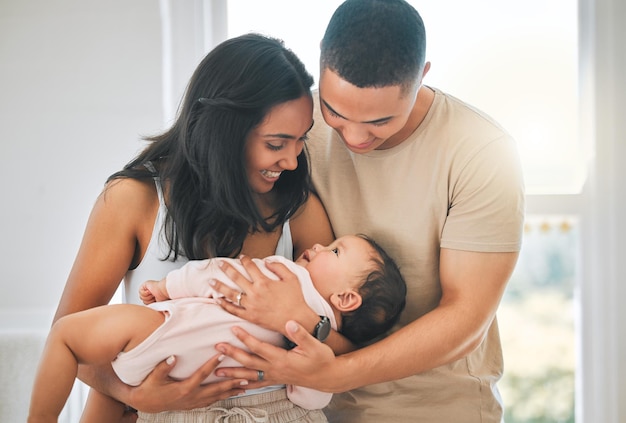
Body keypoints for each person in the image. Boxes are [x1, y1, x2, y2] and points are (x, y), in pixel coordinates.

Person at [207, 1, 526, 422]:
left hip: (437, 409)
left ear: (422, 77)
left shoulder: (482, 153)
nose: (355, 137)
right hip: (304, 406)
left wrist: (335, 373)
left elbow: (466, 316)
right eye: (335, 113)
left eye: (380, 121)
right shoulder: (296, 131)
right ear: (319, 61)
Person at [47, 33, 338, 422]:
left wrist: (306, 321)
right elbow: (68, 337)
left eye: (300, 140)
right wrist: (133, 394)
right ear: (224, 130)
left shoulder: (297, 211)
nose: (291, 160)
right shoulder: (133, 199)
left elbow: (348, 343)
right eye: (276, 144)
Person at [28, 234, 406, 422]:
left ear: (345, 300)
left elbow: (218, 273)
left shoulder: (290, 278)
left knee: (67, 336)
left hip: (160, 336)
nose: (320, 245)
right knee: (65, 336)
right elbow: (309, 398)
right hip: (160, 349)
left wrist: (167, 287)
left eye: (335, 252)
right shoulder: (293, 287)